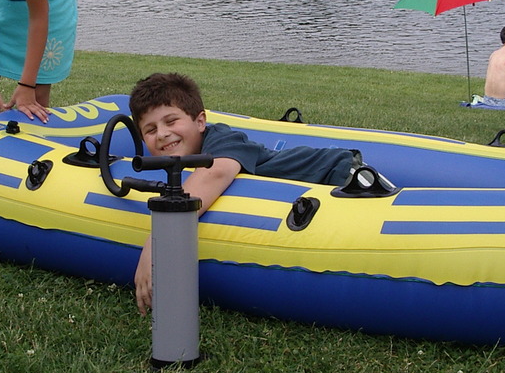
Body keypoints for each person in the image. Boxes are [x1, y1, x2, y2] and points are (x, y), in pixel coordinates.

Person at [129, 72, 389, 314]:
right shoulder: (179, 167)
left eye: (171, 121)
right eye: (150, 130)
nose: (162, 134)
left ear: (200, 121)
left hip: (342, 175)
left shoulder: (223, 140)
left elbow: (214, 174)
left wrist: (155, 244)